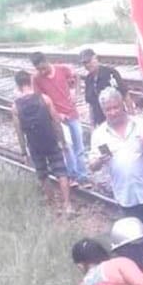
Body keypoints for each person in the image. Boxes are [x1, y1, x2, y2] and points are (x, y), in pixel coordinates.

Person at [88, 87, 143, 223]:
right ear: (103, 111)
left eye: (116, 107)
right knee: (136, 236)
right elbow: (92, 166)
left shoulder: (142, 125)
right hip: (125, 196)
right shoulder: (99, 135)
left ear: (122, 105)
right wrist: (99, 161)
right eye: (108, 109)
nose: (113, 112)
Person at [11, 70, 72, 213]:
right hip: (50, 141)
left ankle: (53, 206)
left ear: (18, 86)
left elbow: (19, 132)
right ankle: (67, 205)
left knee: (43, 175)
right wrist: (62, 141)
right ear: (30, 82)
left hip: (34, 145)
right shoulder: (44, 99)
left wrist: (23, 152)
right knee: (61, 172)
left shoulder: (15, 107)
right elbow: (56, 121)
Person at [30, 51, 92, 188]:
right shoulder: (36, 79)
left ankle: (83, 177)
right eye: (39, 69)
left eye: (43, 68)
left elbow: (76, 77)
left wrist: (76, 93)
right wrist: (55, 114)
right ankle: (72, 176)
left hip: (72, 113)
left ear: (47, 61)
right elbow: (39, 100)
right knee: (66, 147)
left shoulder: (62, 69)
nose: (42, 71)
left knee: (79, 147)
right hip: (57, 118)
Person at [80, 48, 128, 127]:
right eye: (85, 63)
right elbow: (91, 105)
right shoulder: (88, 79)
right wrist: (92, 126)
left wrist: (132, 117)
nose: (87, 65)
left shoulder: (110, 73)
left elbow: (125, 94)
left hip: (118, 119)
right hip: (101, 123)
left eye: (89, 61)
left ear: (96, 58)